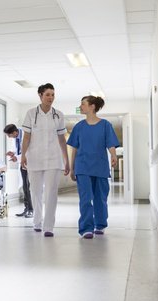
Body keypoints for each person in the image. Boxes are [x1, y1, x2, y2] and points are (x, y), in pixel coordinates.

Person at [20, 83, 70, 237]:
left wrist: (66, 160)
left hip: (54, 159)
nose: (51, 98)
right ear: (40, 95)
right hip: (34, 158)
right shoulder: (30, 113)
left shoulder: (58, 115)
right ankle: (37, 221)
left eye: (53, 95)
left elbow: (62, 139)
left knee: (51, 193)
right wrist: (23, 155)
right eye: (48, 94)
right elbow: (26, 137)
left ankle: (48, 227)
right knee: (35, 192)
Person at [67, 96, 120, 239]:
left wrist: (114, 155)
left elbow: (110, 143)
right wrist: (72, 168)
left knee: (100, 198)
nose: (80, 106)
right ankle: (86, 228)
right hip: (83, 167)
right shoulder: (79, 127)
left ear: (92, 106)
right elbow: (75, 149)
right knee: (85, 198)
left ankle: (100, 224)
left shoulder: (105, 125)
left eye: (83, 104)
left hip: (100, 166)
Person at [4, 124, 33, 218]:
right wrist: (13, 154)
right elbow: (19, 151)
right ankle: (27, 208)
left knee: (29, 187)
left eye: (9, 135)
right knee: (25, 187)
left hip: (31, 163)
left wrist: (17, 157)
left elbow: (29, 150)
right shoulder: (15, 138)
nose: (9, 137)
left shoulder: (26, 134)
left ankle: (31, 210)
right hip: (23, 164)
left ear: (15, 132)